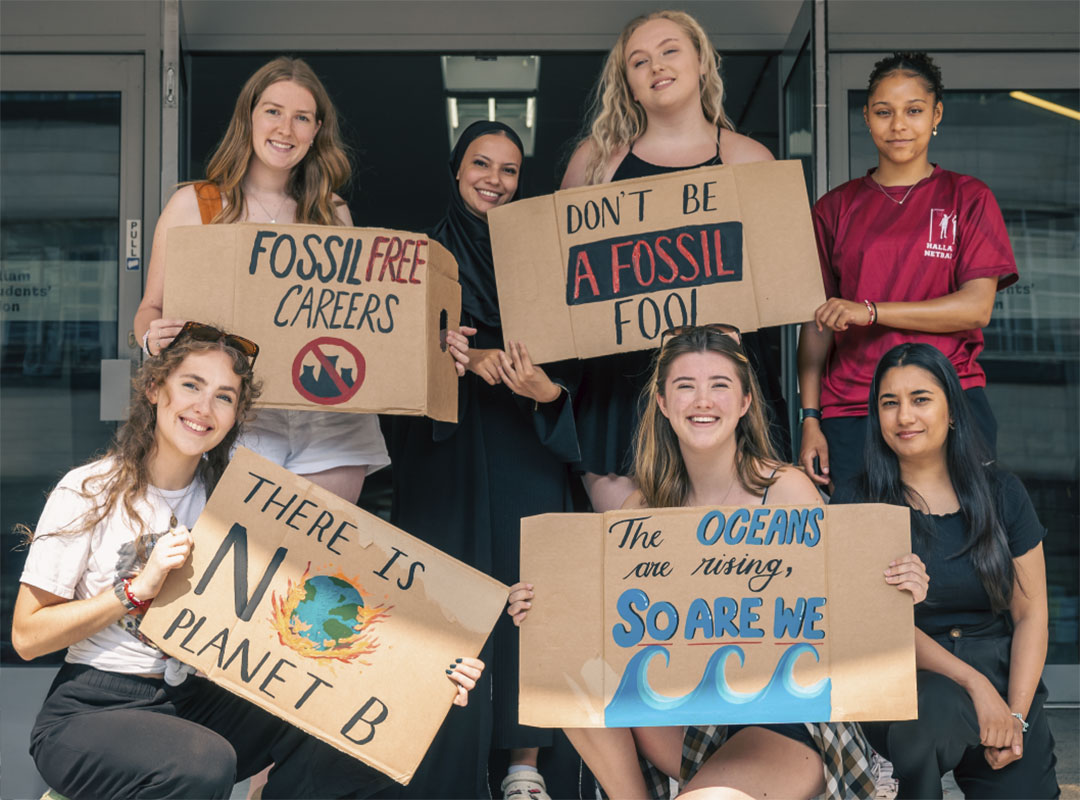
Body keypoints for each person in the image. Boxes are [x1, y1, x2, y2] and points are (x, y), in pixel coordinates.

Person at [11, 322, 485, 799]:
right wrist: (134, 590)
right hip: (93, 708)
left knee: (362, 732)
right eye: (191, 386)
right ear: (155, 388)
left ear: (237, 414)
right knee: (202, 763)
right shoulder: (91, 490)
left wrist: (426, 672)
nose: (203, 408)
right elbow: (28, 637)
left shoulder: (239, 501)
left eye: (223, 396)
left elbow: (316, 617)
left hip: (193, 701)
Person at [508, 325, 928, 799]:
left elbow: (848, 602)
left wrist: (896, 587)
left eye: (719, 386)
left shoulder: (784, 490)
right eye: (685, 386)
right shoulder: (642, 511)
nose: (702, 401)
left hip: (783, 721)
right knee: (565, 643)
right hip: (687, 722)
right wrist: (538, 608)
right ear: (663, 404)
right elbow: (596, 621)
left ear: (746, 401)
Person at [383, 121, 582, 800]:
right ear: (454, 168)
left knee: (531, 589)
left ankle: (526, 764)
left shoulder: (542, 260)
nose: (494, 180)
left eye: (509, 169)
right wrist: (451, 352)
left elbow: (580, 355)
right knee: (447, 589)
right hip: (444, 449)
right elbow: (383, 358)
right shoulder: (414, 259)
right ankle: (443, 753)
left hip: (525, 440)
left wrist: (540, 383)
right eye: (481, 164)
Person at [133, 56, 391, 503]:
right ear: (249, 118)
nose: (285, 129)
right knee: (248, 565)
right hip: (242, 419)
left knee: (317, 567)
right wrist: (152, 340)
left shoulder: (333, 213)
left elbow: (358, 316)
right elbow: (150, 309)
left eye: (301, 118)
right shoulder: (195, 205)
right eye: (273, 111)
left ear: (316, 132)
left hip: (331, 415)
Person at [561, 9, 790, 514]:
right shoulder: (595, 163)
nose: (656, 67)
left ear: (702, 62)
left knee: (728, 561)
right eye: (638, 62)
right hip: (618, 395)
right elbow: (564, 286)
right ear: (630, 87)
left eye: (669, 51)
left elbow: (780, 281)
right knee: (636, 560)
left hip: (719, 383)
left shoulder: (750, 160)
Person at [831, 342, 1059, 799]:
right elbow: (866, 623)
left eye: (920, 399)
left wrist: (1014, 715)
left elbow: (1031, 615)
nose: (904, 416)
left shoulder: (1003, 494)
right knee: (930, 714)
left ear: (952, 410)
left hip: (1000, 676)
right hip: (909, 684)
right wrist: (975, 686)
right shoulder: (858, 503)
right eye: (889, 403)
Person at [798, 51, 1017, 490]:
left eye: (913, 111)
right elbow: (817, 322)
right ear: (866, 117)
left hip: (948, 400)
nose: (898, 125)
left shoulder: (967, 197)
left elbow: (976, 309)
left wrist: (871, 311)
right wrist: (810, 419)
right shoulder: (834, 208)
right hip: (853, 405)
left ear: (935, 114)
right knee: (861, 549)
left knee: (961, 543)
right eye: (884, 112)